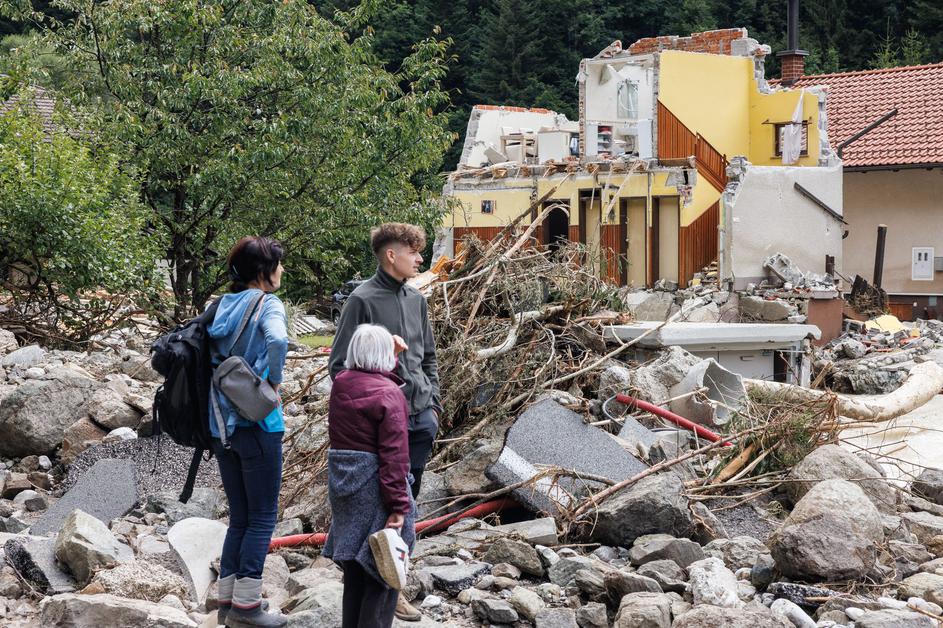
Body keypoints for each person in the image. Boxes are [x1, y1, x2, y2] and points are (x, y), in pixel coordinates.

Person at [328, 222, 439, 622]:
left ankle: (394, 577)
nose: (420, 259)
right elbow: (339, 366)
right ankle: (376, 588)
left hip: (418, 424)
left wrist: (433, 407)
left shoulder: (416, 300)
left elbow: (428, 357)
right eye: (414, 252)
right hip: (377, 431)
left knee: (404, 513)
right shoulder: (361, 300)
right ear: (392, 254)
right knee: (379, 513)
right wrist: (373, 406)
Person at [209, 236, 289, 628]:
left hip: (220, 426)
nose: (282, 271)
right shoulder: (268, 304)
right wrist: (272, 382)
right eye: (279, 264)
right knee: (261, 519)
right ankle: (246, 609)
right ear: (264, 272)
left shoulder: (220, 306)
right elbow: (279, 339)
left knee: (239, 518)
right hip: (259, 423)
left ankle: (226, 603)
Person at [324, 323, 416, 628]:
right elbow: (394, 458)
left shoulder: (342, 382)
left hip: (344, 489)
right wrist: (398, 508)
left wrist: (393, 355)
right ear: (382, 355)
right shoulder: (390, 395)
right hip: (374, 490)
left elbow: (374, 378)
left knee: (354, 574)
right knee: (382, 574)